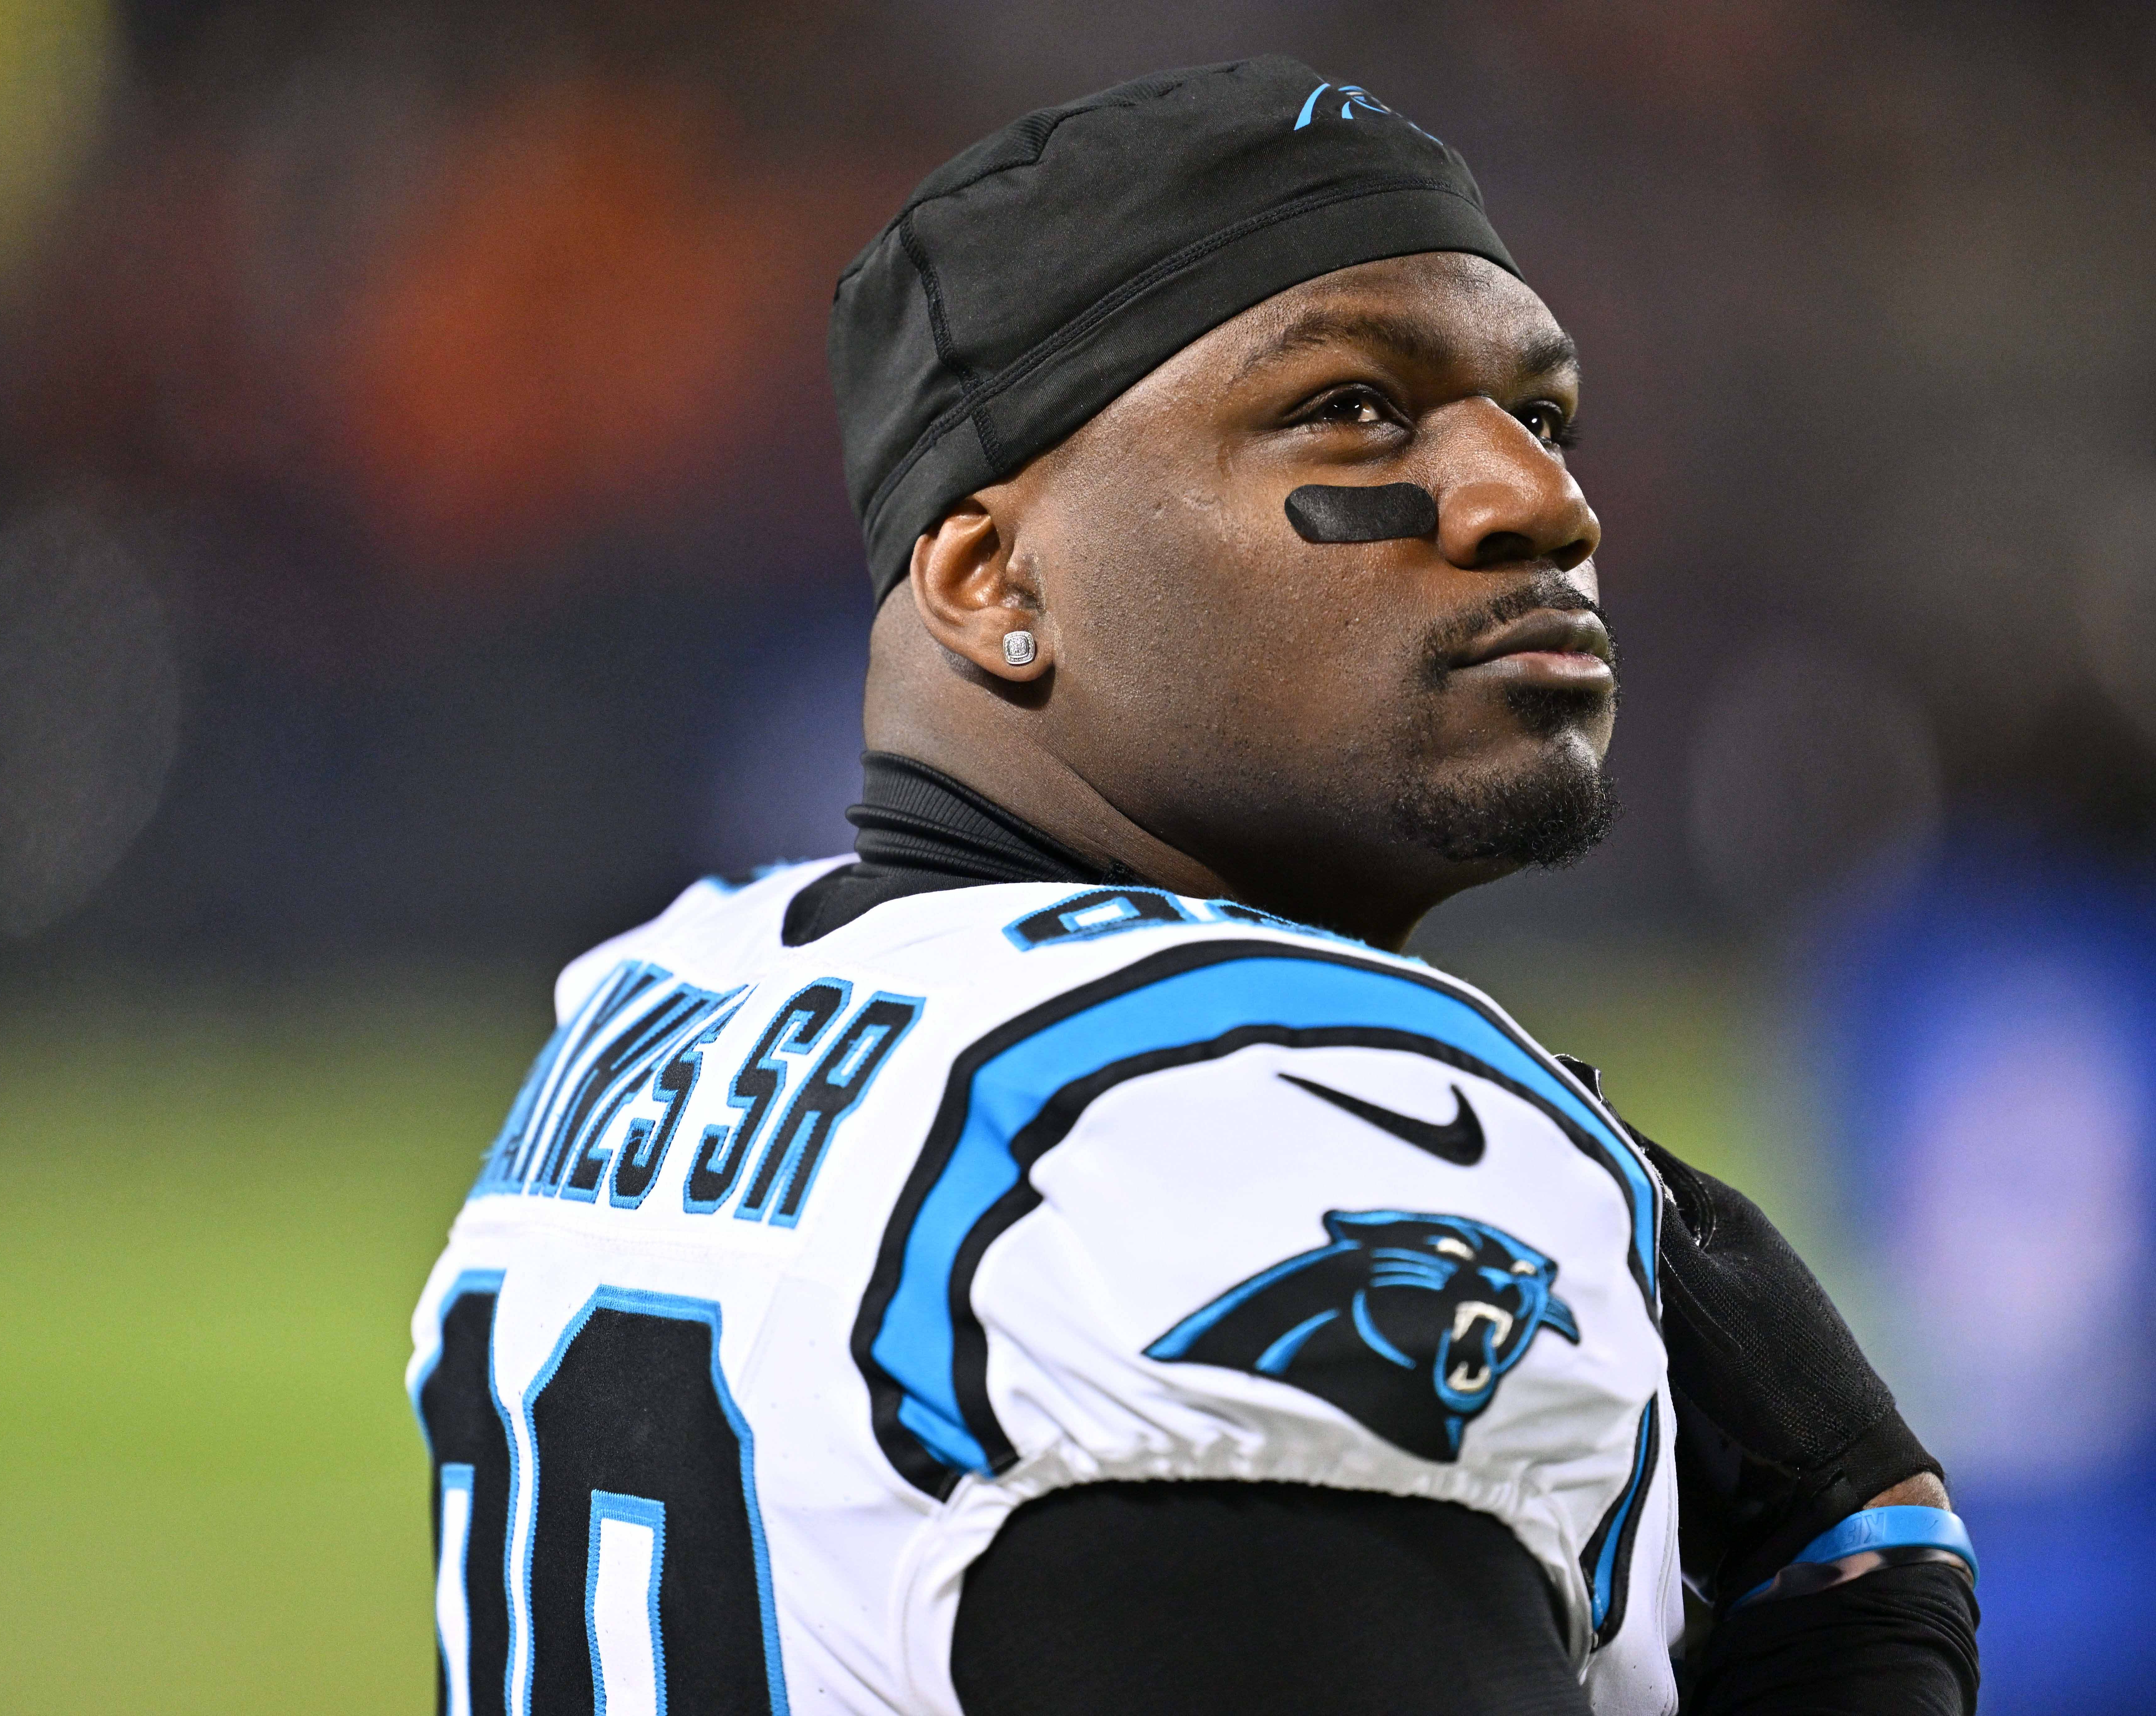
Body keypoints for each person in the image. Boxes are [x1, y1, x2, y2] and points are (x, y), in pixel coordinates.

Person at [408, 57, 1978, 1715]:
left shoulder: (668, 1001)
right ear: (992, 578)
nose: (1541, 503)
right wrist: (1868, 1631)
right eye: (1353, 407)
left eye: (1542, 418)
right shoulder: (1260, 1131)